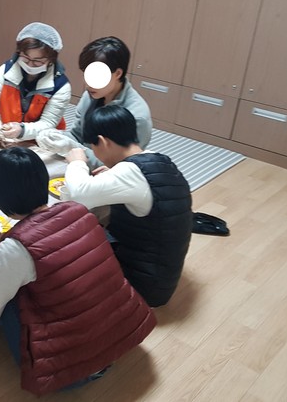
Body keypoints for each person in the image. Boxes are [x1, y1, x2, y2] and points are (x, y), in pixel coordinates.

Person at [0, 147, 156, 396]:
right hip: (124, 338)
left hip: (70, 372)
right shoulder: (79, 210)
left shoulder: (16, 248)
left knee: (8, 293)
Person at [64, 105, 193, 307]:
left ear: (103, 142)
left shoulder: (129, 173)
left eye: (94, 147)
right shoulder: (159, 159)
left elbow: (79, 194)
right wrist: (114, 173)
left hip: (142, 288)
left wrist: (77, 162)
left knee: (70, 235)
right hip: (161, 275)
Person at [37, 36, 152, 168]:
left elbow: (122, 167)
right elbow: (77, 135)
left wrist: (73, 149)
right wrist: (58, 137)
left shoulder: (137, 116)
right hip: (81, 163)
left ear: (117, 74)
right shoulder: (92, 94)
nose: (88, 84)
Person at [0, 22, 71, 140]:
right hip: (6, 135)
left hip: (44, 140)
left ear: (51, 60)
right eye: (25, 57)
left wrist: (22, 130)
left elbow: (48, 122)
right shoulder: (6, 71)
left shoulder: (61, 86)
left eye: (38, 61)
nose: (30, 64)